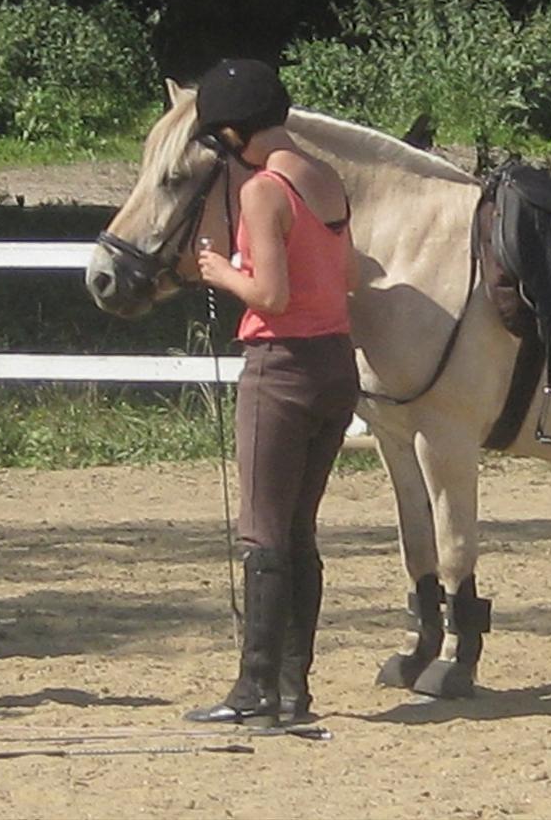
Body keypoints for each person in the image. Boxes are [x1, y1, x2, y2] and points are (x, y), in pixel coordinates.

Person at [185, 59, 360, 725]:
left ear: (232, 133)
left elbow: (272, 295)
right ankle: (294, 688)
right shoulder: (325, 177)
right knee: (299, 529)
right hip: (335, 365)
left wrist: (220, 272)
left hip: (280, 369)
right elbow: (347, 274)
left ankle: (254, 690)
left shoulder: (262, 190)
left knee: (262, 532)